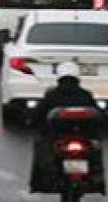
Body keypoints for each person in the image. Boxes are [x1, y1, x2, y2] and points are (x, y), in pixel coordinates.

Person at [30, 63, 100, 193]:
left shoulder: (52, 95)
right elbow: (99, 117)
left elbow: (38, 116)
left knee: (41, 145)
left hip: (57, 138)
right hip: (83, 137)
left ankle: (39, 181)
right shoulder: (85, 95)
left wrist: (32, 121)